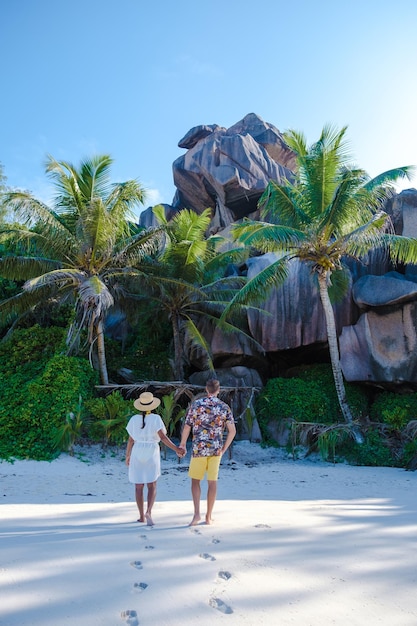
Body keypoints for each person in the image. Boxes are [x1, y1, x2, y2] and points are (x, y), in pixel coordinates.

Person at [179, 378, 236, 526]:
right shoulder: (224, 407)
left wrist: (183, 444)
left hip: (199, 448)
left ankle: (197, 514)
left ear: (206, 389)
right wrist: (224, 448)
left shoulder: (196, 405)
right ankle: (208, 516)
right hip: (215, 449)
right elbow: (232, 431)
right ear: (218, 390)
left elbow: (187, 426)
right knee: (212, 483)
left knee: (195, 482)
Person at [126, 391, 184, 526]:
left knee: (138, 486)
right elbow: (163, 438)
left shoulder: (134, 419)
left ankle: (141, 516)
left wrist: (127, 456)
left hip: (137, 450)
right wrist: (176, 449)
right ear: (152, 406)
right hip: (151, 451)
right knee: (152, 484)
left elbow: (130, 440)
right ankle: (149, 512)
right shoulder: (156, 418)